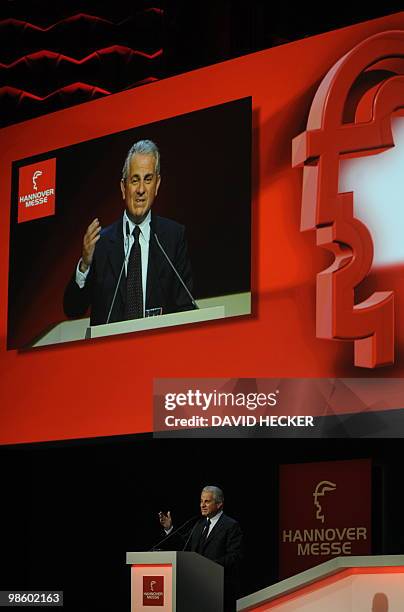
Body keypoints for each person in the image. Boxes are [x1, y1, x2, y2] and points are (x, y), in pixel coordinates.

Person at [63, 139, 194, 325]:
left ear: (157, 185)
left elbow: (186, 306)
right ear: (124, 188)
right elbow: (73, 309)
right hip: (110, 352)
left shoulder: (173, 237)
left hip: (159, 351)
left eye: (148, 179)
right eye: (135, 180)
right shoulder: (100, 243)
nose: (141, 189)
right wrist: (84, 264)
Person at [158, 485, 243, 612]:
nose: (202, 505)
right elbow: (184, 545)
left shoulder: (231, 525)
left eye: (207, 501)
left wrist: (208, 566)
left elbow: (234, 556)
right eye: (201, 501)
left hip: (219, 589)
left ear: (219, 504)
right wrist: (169, 528)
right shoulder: (199, 524)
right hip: (197, 588)